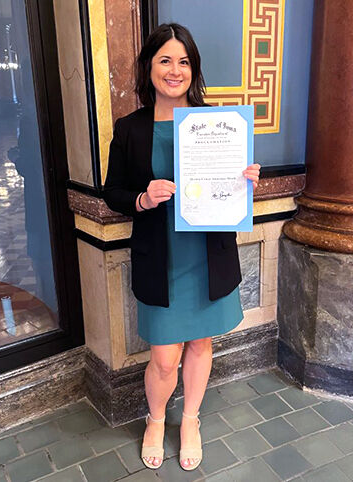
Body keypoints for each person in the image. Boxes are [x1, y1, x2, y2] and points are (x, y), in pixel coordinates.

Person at [103, 23, 260, 471]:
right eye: (165, 60)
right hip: (161, 256)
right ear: (149, 67)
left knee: (200, 345)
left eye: (184, 61)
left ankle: (189, 419)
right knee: (164, 358)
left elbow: (231, 189)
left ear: (195, 69)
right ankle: (156, 419)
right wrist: (142, 198)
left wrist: (245, 180)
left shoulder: (220, 124)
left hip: (206, 255)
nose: (175, 70)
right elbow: (113, 192)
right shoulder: (130, 128)